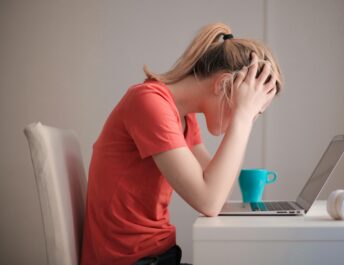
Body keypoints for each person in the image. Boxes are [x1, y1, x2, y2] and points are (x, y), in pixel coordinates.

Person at [81, 22, 283, 265]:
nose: (249, 116)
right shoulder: (149, 103)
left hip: (159, 256)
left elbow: (216, 189)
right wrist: (243, 117)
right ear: (221, 85)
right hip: (131, 261)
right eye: (251, 108)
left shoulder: (183, 117)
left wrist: (243, 114)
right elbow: (209, 201)